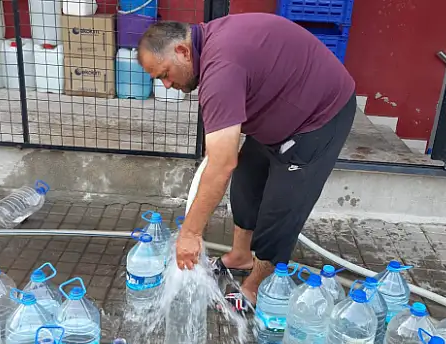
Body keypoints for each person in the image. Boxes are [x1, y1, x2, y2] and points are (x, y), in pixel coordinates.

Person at [138, 13, 356, 307]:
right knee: (246, 181)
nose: (165, 84)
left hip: (320, 115)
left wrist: (190, 233)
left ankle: (256, 287)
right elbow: (222, 153)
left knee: (280, 207)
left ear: (181, 51)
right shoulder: (210, 48)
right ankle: (240, 257)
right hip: (280, 108)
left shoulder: (221, 68)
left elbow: (222, 163)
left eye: (164, 74)